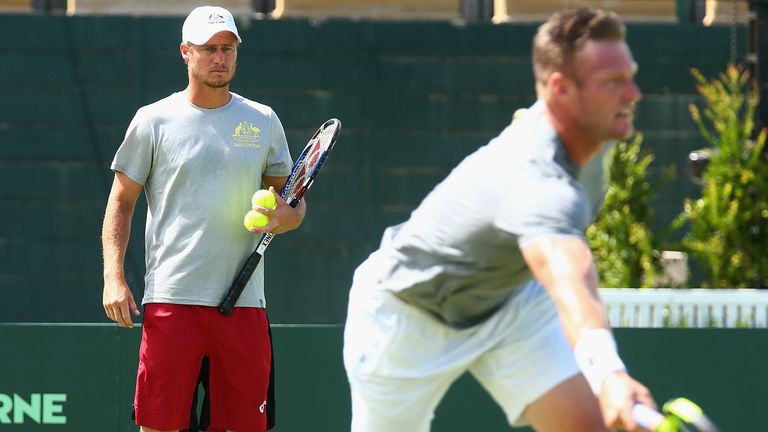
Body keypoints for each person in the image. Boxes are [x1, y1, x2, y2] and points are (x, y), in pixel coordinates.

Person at [343, 7, 655, 432]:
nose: (633, 93)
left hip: (510, 303)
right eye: (613, 82)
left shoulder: (597, 130)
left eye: (630, 75)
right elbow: (567, 277)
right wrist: (610, 373)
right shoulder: (537, 179)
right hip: (407, 316)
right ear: (562, 89)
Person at [101, 6, 305, 432]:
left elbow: (293, 202)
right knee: (158, 427)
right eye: (209, 49)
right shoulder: (153, 120)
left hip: (245, 306)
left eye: (227, 48)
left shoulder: (263, 120)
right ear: (185, 52)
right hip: (172, 300)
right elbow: (121, 201)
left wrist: (287, 218)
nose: (220, 57)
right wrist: (113, 277)